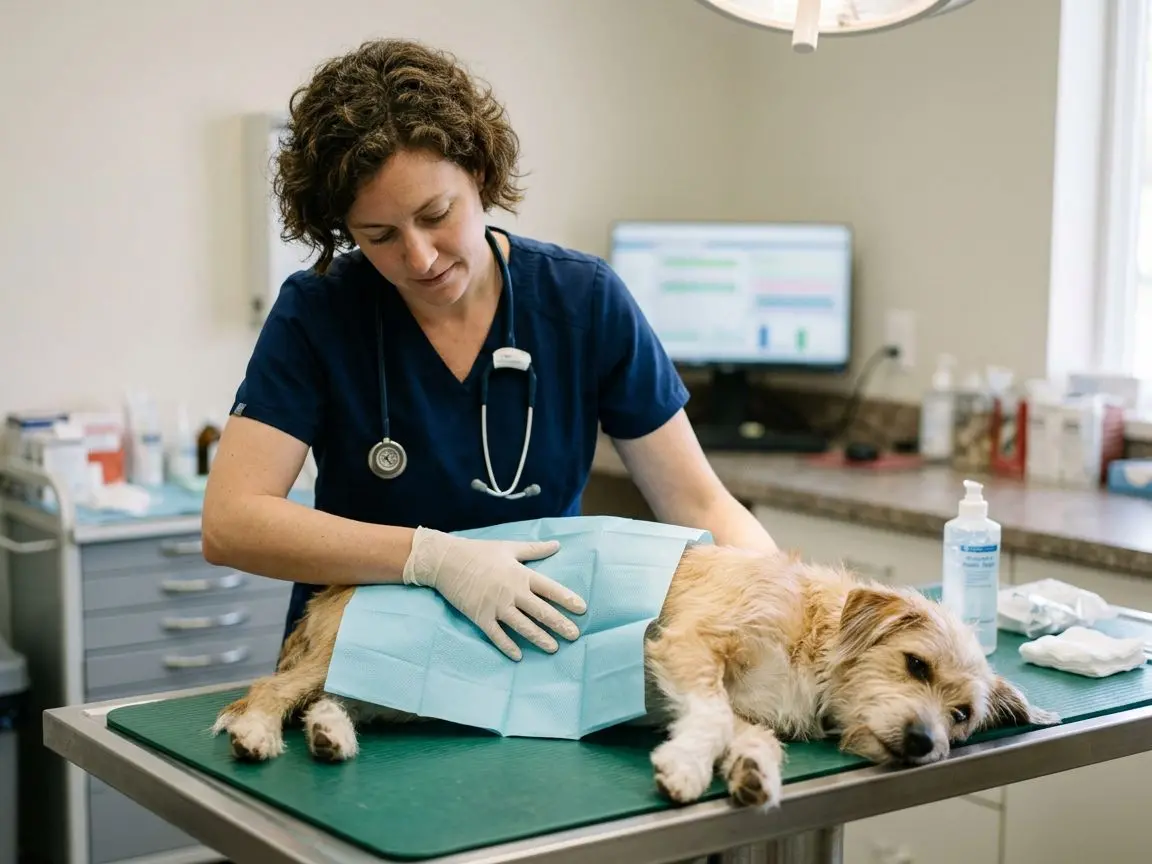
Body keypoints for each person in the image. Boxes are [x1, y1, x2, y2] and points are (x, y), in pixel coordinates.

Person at [201, 37, 779, 663]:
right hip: (358, 661)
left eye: (436, 214)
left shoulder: (581, 301)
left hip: (534, 656)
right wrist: (431, 558)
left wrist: (789, 598)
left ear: (477, 172)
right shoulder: (320, 313)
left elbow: (698, 502)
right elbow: (231, 521)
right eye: (380, 235)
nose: (419, 258)